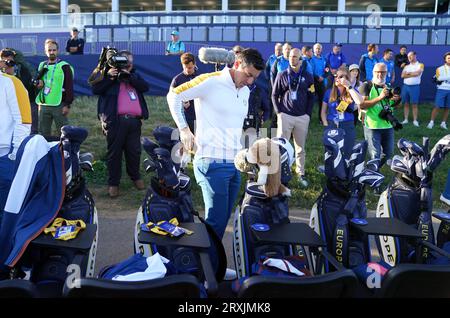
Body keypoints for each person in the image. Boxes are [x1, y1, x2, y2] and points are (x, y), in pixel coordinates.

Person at [166, 49, 265, 272]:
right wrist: (184, 129)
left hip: (233, 164)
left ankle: (212, 266)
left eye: (254, 78)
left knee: (220, 223)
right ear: (237, 63)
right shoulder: (211, 81)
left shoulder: (246, 91)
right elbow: (173, 96)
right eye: (248, 74)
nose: (249, 81)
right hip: (210, 162)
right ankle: (202, 272)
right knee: (215, 222)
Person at [92, 50, 149, 198]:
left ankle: (135, 177)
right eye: (125, 61)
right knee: (114, 154)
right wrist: (110, 77)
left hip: (134, 122)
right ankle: (113, 184)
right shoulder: (107, 74)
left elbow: (145, 87)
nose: (128, 64)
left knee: (134, 152)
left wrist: (129, 76)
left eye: (130, 62)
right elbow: (95, 88)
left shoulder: (134, 75)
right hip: (115, 121)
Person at [272, 48, 315, 188]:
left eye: (295, 57)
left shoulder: (308, 76)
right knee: (281, 146)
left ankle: (300, 173)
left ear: (301, 59)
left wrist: (308, 114)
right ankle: (278, 173)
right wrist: (279, 112)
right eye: (290, 56)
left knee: (300, 147)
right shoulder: (282, 74)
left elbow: (312, 95)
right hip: (285, 115)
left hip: (302, 117)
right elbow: (274, 95)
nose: (292, 59)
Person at [359, 63, 401, 170]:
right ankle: (373, 178)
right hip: (372, 126)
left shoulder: (388, 87)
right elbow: (362, 104)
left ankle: (372, 171)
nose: (380, 74)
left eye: (383, 72)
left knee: (388, 153)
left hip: (387, 125)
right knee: (375, 155)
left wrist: (396, 101)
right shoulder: (366, 86)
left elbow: (393, 106)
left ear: (386, 73)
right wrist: (380, 97)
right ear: (373, 72)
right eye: (377, 72)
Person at [0, 73, 31, 219]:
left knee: (5, 210)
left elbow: (24, 120)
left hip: (5, 156)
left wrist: (16, 152)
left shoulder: (11, 82)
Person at [321, 66, 363, 160]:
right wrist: (326, 124)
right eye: (337, 76)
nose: (338, 78)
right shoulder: (329, 92)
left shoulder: (351, 91)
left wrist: (349, 86)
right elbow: (323, 111)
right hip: (332, 123)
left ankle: (345, 171)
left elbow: (360, 101)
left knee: (347, 149)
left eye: (342, 76)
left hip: (347, 124)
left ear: (347, 79)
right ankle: (331, 171)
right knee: (331, 151)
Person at [34, 39, 74, 138]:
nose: (52, 52)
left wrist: (67, 104)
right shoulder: (42, 65)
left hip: (59, 104)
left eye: (54, 50)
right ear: (45, 51)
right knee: (43, 133)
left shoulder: (64, 66)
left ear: (57, 51)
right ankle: (45, 152)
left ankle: (66, 152)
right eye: (49, 50)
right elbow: (40, 82)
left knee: (64, 133)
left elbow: (69, 86)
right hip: (44, 104)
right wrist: (39, 84)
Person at [0, 48, 37, 134]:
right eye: (5, 61)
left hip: (27, 103)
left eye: (10, 61)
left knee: (31, 130)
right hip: (6, 109)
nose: (8, 64)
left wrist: (11, 75)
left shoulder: (22, 69)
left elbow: (26, 86)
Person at [170, 53, 199, 134]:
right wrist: (181, 103)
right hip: (183, 118)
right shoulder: (177, 80)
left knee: (197, 143)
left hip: (198, 116)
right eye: (185, 67)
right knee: (183, 143)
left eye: (190, 67)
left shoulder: (200, 77)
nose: (187, 70)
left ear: (194, 64)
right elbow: (171, 99)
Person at [427, 52, 450, 130]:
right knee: (437, 106)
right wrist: (446, 77)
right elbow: (438, 78)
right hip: (442, 89)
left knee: (448, 107)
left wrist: (444, 77)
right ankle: (431, 122)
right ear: (445, 59)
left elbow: (441, 78)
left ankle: (443, 123)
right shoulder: (440, 68)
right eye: (448, 58)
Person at [401, 51, 424, 127]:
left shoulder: (420, 65)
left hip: (415, 87)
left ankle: (415, 120)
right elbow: (402, 76)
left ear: (414, 56)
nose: (409, 58)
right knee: (406, 104)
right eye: (408, 57)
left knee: (414, 104)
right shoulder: (406, 66)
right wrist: (412, 74)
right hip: (405, 87)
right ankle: (406, 119)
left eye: (410, 56)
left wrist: (408, 73)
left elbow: (417, 73)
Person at [311, 43, 330, 123]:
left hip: (322, 83)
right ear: (313, 49)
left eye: (319, 48)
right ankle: (308, 118)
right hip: (312, 83)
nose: (318, 50)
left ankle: (321, 118)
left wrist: (323, 76)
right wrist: (317, 77)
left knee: (322, 101)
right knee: (310, 99)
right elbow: (310, 71)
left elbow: (327, 70)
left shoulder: (324, 59)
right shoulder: (311, 59)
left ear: (321, 50)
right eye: (316, 48)